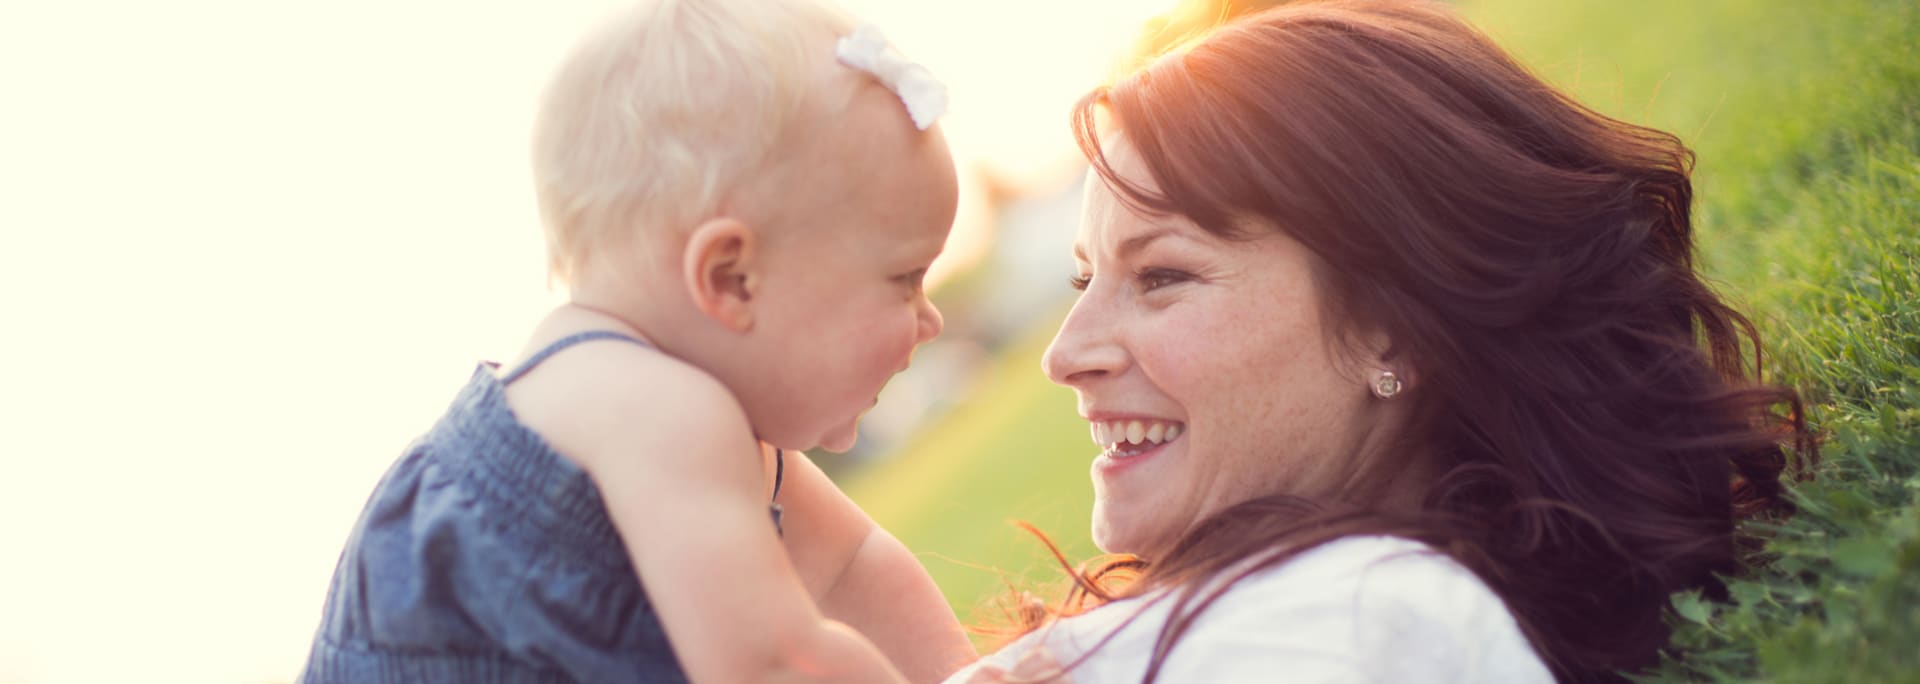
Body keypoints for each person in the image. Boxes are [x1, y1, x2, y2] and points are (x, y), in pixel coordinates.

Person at [951, 1, 1811, 682]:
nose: (1065, 355)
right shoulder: (1326, 607)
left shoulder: (1375, 623)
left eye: (1162, 277)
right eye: (1083, 279)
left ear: (1391, 328)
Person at [300, 0, 976, 681]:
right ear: (732, 279)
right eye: (905, 278)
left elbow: (850, 568)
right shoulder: (656, 411)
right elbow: (776, 666)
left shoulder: (663, 411)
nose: (930, 317)